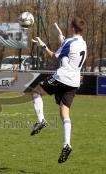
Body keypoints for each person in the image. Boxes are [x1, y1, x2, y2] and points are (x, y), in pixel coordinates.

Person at [30, 17, 87, 163]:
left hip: (62, 78)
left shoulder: (69, 42)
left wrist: (42, 45)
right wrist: (60, 35)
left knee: (36, 91)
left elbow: (54, 58)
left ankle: (41, 120)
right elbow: (66, 44)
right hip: (74, 82)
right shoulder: (83, 43)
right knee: (64, 113)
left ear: (73, 28)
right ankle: (67, 144)